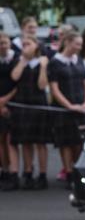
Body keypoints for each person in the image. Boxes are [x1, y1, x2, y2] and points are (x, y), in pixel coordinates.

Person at [5, 34, 50, 190]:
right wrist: (23, 62)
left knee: (40, 142)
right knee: (25, 142)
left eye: (28, 44)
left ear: (36, 46)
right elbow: (14, 77)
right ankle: (28, 172)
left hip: (38, 105)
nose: (25, 47)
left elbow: (42, 85)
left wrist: (43, 66)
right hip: (22, 105)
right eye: (23, 45)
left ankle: (43, 175)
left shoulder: (42, 62)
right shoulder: (19, 61)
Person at [47, 31, 85, 185]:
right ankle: (68, 172)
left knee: (79, 141)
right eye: (77, 44)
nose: (79, 48)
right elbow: (54, 88)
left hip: (81, 106)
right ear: (68, 43)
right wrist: (69, 106)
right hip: (64, 109)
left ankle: (78, 170)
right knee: (65, 142)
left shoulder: (78, 60)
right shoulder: (55, 62)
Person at [0, 32, 18, 185]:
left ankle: (14, 171)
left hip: (13, 103)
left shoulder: (16, 58)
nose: (3, 46)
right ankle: (4, 170)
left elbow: (19, 83)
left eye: (5, 43)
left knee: (10, 140)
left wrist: (6, 101)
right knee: (1, 140)